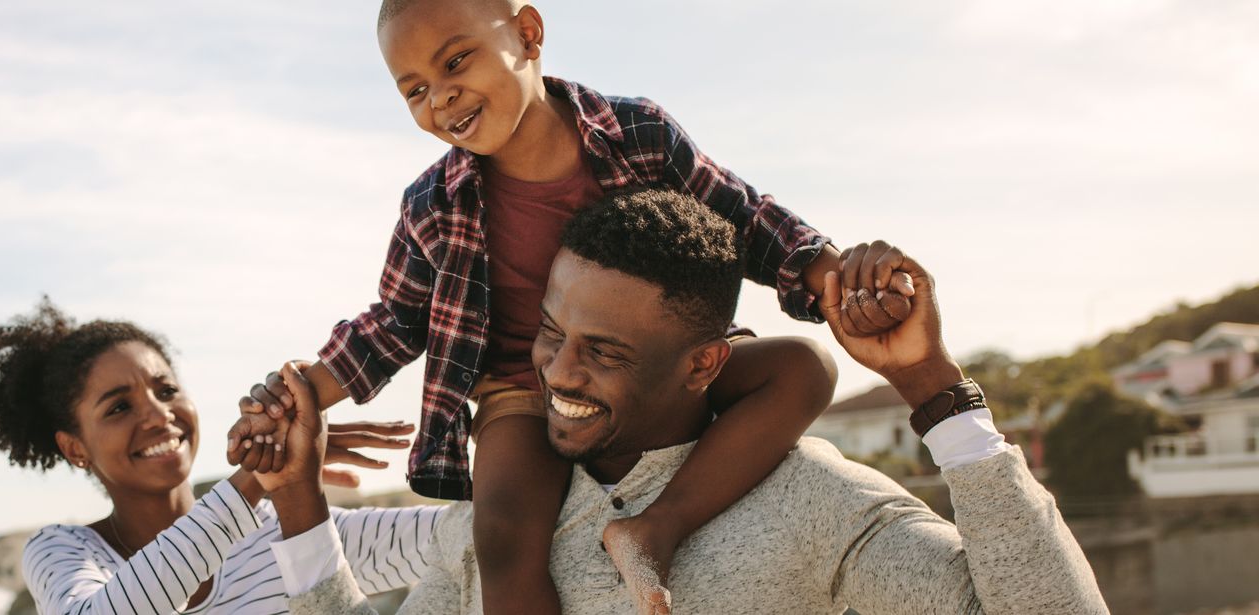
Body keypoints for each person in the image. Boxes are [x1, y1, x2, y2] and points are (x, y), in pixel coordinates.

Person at [230, 0, 916, 611]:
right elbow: (396, 320)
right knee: (501, 532)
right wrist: (304, 391)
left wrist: (836, 276)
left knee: (804, 367)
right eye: (414, 90)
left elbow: (744, 216)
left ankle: (657, 526)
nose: (441, 97)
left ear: (528, 34)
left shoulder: (637, 132)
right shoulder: (432, 203)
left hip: (656, 363)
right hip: (522, 391)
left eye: (456, 60)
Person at [251, 189, 1107, 614]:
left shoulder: (811, 499)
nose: (558, 373)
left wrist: (930, 386)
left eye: (605, 353)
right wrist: (298, 502)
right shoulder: (508, 519)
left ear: (704, 363)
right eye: (551, 333)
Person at [0, 300, 443, 614]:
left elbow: (475, 537)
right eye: (118, 406)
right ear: (75, 447)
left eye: (166, 389)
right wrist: (262, 473)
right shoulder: (64, 551)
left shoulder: (291, 529)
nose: (158, 415)